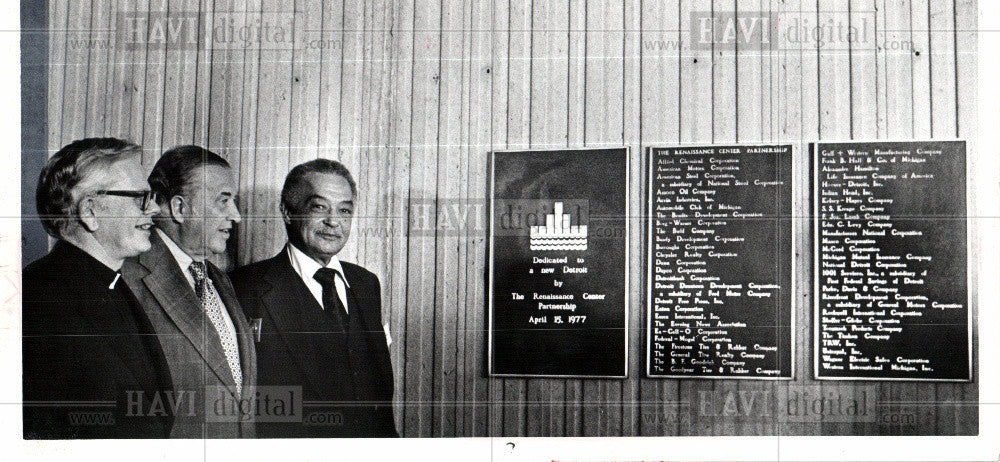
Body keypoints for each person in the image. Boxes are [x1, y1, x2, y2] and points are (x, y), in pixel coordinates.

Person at [230, 159, 397, 437]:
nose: (334, 222)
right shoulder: (245, 287)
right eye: (319, 207)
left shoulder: (366, 284)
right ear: (287, 212)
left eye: (345, 210)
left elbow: (379, 398)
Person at [23, 137, 174, 438]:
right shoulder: (39, 301)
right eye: (140, 197)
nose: (155, 208)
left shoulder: (112, 282)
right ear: (90, 211)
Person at [121, 145, 256, 438]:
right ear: (180, 208)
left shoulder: (218, 278)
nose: (236, 216)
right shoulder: (127, 277)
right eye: (224, 201)